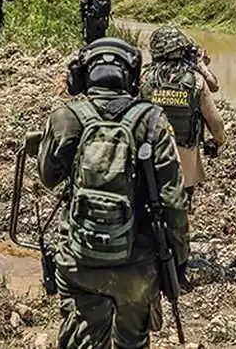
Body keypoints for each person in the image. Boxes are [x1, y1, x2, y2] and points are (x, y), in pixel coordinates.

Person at [38, 37, 190, 348]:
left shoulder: (65, 117)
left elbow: (47, 178)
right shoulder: (153, 120)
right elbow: (173, 201)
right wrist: (179, 259)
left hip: (79, 261)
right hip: (138, 267)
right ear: (132, 80)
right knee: (132, 341)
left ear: (82, 78)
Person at [141, 27, 225, 213]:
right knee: (182, 208)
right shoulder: (196, 80)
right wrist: (218, 141)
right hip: (185, 156)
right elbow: (215, 121)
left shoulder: (145, 78)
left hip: (150, 152)